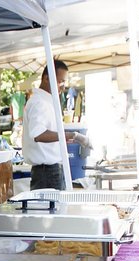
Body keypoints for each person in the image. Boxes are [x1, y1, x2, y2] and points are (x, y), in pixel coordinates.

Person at [22, 59, 87, 190]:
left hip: (51, 169)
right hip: (46, 172)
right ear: (46, 78)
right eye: (60, 81)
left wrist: (63, 140)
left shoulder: (46, 101)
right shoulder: (39, 102)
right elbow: (39, 134)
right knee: (51, 209)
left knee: (59, 208)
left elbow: (48, 134)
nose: (63, 86)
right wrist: (73, 135)